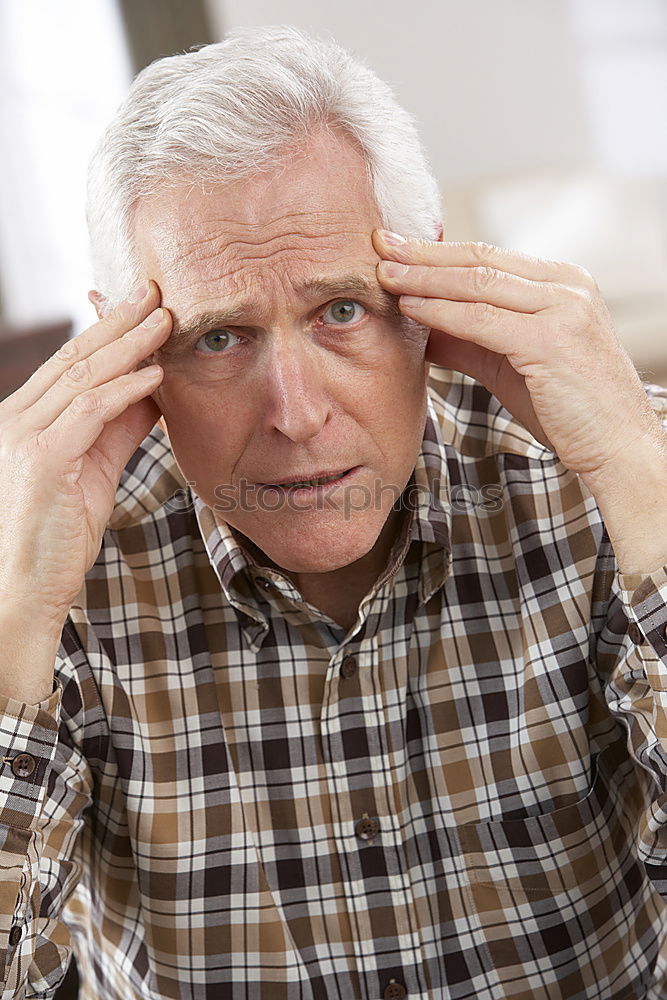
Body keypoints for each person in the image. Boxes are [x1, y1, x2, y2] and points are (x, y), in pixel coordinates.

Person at [0, 22, 666, 1000]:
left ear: (425, 288)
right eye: (219, 336)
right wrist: (15, 616)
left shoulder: (614, 465)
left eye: (339, 311)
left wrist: (635, 476)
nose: (297, 413)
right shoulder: (47, 551)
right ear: (124, 348)